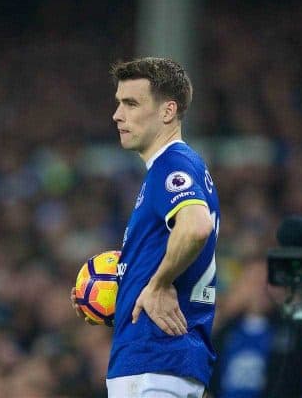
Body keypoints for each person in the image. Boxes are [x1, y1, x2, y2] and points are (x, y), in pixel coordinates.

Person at [71, 57, 220, 397]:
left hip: (153, 362)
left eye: (131, 103)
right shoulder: (179, 167)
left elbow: (196, 226)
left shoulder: (172, 164)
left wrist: (158, 283)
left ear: (168, 112)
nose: (117, 115)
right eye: (118, 103)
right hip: (166, 363)